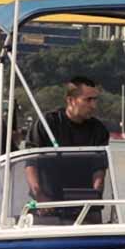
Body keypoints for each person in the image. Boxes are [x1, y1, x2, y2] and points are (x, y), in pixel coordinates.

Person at [25, 76, 111, 221]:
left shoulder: (99, 130)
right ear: (70, 100)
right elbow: (30, 163)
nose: (93, 106)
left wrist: (95, 197)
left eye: (95, 100)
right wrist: (39, 195)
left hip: (86, 206)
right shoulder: (47, 124)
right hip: (48, 204)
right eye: (88, 100)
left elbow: (99, 172)